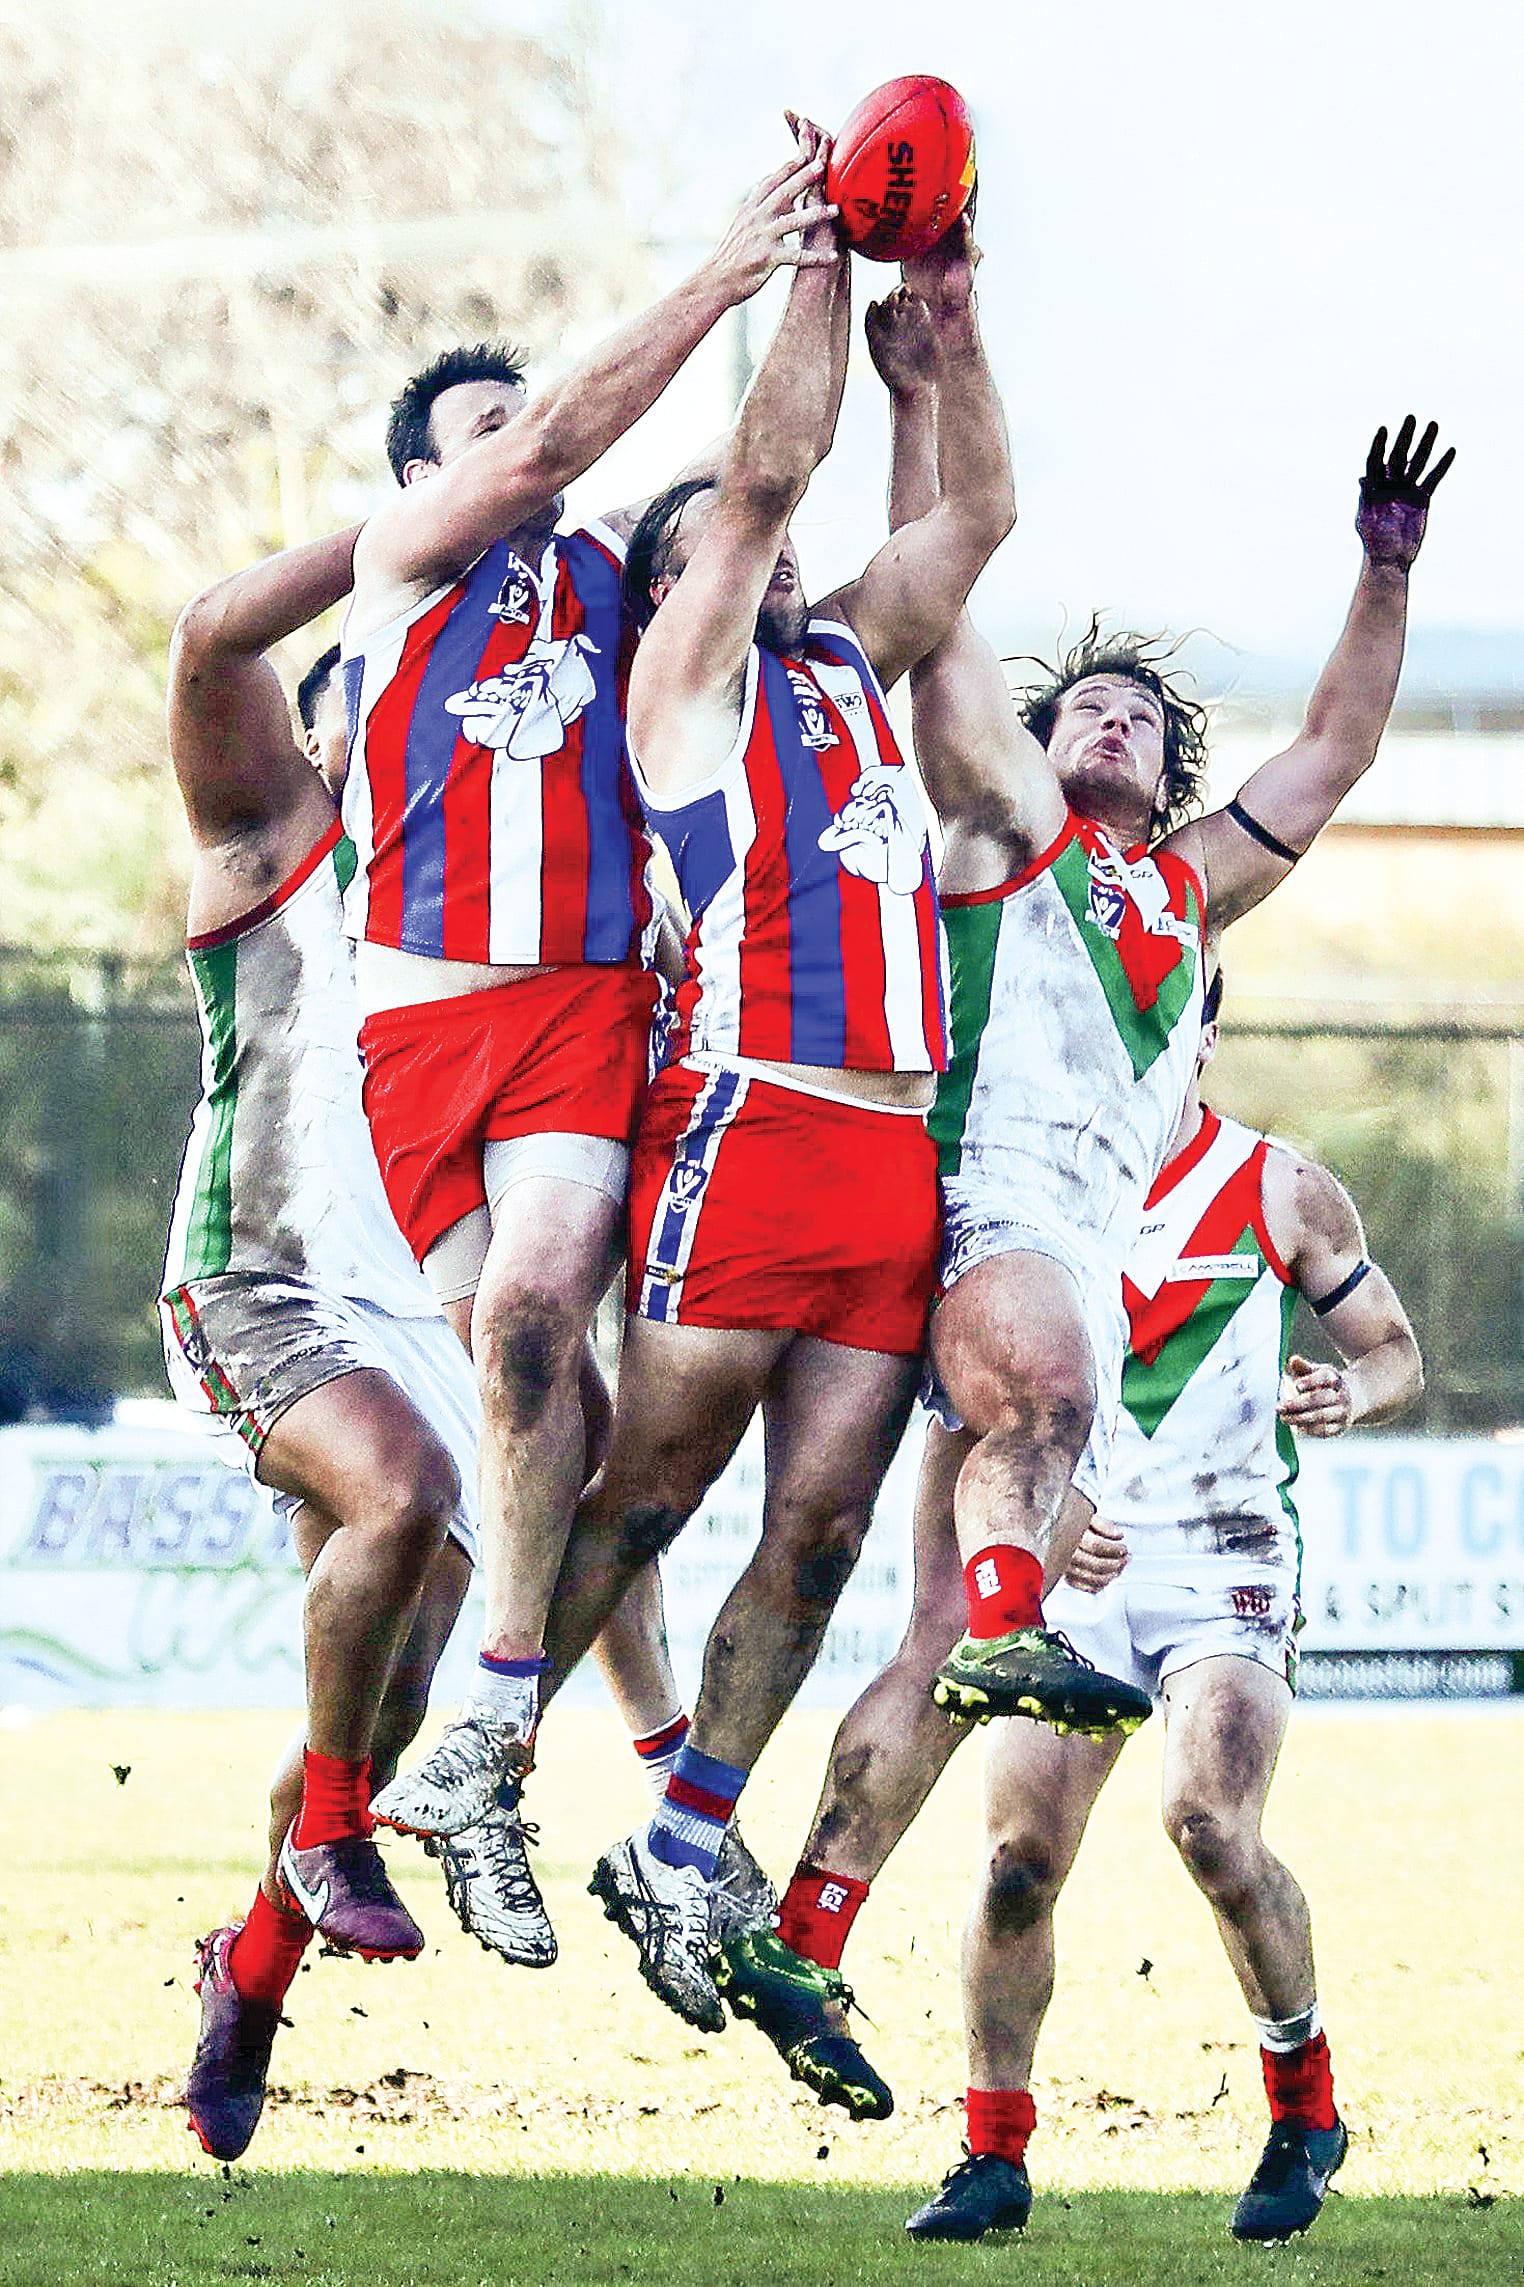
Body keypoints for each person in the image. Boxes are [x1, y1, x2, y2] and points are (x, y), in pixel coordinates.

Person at [718, 383, 1452, 2116]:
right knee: (1023, 1475)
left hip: (1018, 1258)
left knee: (924, 1648)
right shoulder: (993, 829)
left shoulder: (1179, 895)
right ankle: (955, 1642)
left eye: (1137, 714)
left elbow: (1333, 752)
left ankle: (802, 1924)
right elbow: (939, 611)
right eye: (1086, 705)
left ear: (1165, 772)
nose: (1109, 720)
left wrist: (1380, 569)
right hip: (977, 1214)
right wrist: (923, 389)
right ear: (1039, 747)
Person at [522, 132, 1015, 2037]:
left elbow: (970, 516)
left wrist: (951, 329)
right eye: (723, 552)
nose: (776, 551)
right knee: (648, 1495)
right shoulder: (688, 689)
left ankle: (678, 1839)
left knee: (810, 1532)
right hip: (754, 1115)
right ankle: (485, 1739)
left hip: (889, 1158)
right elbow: (760, 475)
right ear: (670, 595)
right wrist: (815, 261)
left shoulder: (842, 669)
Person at [344, 149, 838, 1920]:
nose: (518, 447)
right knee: (545, 1409)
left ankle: (484, 1727)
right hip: (413, 1029)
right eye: (477, 430)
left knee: (538, 1320)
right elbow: (552, 441)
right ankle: (504, 1758)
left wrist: (831, 295)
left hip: (576, 1013)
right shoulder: (400, 564)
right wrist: (721, 266)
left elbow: (752, 499)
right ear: (421, 474)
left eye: (518, 424)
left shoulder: (626, 594)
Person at [905, 979, 1424, 2243]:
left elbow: (1397, 1349)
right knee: (1017, 1864)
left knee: (1211, 1827)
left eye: (1154, 1018)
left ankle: (1305, 2109)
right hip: (1073, 1576)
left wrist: (1353, 1393)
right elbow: (956, 1397)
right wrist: (1034, 1528)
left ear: (1196, 1033)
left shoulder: (1279, 1185)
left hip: (1227, 1555)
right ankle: (991, 2154)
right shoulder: (1007, 1194)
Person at [294, 648, 731, 1965]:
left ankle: (619, 1782)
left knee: (580, 1456)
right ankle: (261, 1965)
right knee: (368, 1707)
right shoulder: (300, 866)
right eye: (356, 719)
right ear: (322, 749)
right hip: (342, 1311)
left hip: (472, 1281)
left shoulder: (531, 880)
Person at [160, 532, 483, 2161]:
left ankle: (255, 1966)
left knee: (388, 1692)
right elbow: (212, 632)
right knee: (402, 1491)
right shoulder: (272, 828)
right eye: (386, 682)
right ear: (325, 719)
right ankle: (342, 1842)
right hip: (258, 1279)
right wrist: (415, 518)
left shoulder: (491, 888)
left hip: (428, 1319)